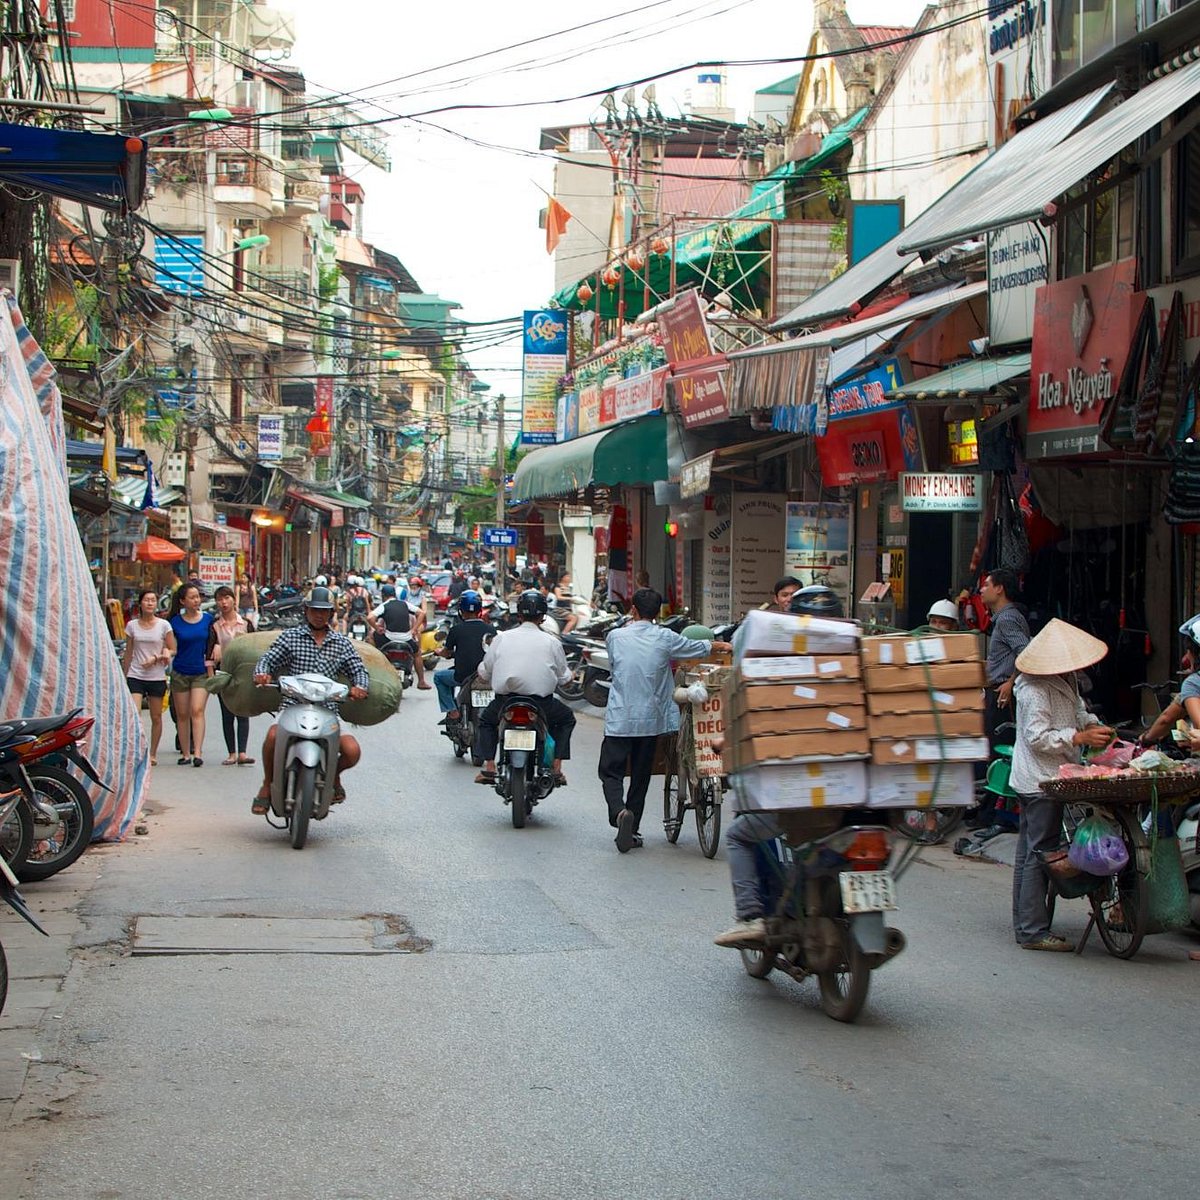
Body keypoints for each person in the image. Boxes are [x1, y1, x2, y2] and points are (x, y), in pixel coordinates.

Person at [715, 586, 847, 948]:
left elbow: (752, 719)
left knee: (739, 836)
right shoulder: (856, 660)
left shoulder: (777, 667)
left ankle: (750, 916)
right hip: (860, 800)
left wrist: (726, 744)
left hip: (799, 796)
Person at [1010, 619, 1114, 952]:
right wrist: (1078, 737)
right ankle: (1032, 931)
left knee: (1030, 851)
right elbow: (1037, 737)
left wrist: (1094, 727)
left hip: (1050, 776)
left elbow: (1078, 711)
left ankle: (1026, 923)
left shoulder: (1064, 679)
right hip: (1039, 780)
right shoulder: (1033, 689)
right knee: (1040, 853)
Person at [599, 590, 731, 853]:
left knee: (610, 772)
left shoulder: (615, 636)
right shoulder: (665, 637)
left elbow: (617, 668)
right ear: (658, 612)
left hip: (620, 718)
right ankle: (632, 827)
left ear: (633, 610)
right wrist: (721, 645)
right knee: (640, 775)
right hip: (649, 721)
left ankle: (618, 813)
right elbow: (698, 647)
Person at [250, 586, 369, 815]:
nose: (319, 615)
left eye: (324, 611)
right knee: (273, 737)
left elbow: (359, 670)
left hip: (328, 710)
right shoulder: (291, 637)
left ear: (331, 613)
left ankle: (333, 776)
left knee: (352, 750)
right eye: (315, 610)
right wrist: (262, 673)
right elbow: (268, 659)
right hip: (293, 706)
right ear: (306, 610)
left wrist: (360, 687)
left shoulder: (341, 643)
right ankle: (267, 785)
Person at [473, 590, 576, 786]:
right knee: (566, 719)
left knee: (486, 721)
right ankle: (556, 767)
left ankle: (489, 766)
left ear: (519, 614)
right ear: (543, 616)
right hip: (541, 706)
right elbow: (564, 678)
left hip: (506, 702)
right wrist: (570, 677)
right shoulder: (552, 642)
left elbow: (485, 672)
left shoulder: (502, 638)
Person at [122, 589, 176, 766]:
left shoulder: (163, 625)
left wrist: (158, 657)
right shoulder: (132, 625)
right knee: (135, 714)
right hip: (135, 674)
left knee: (156, 717)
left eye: (153, 600)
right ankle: (137, 749)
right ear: (141, 604)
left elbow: (172, 649)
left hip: (156, 675)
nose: (150, 603)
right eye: (147, 600)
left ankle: (152, 753)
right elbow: (128, 652)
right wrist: (123, 674)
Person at [168, 583, 215, 767]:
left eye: (198, 597)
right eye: (192, 597)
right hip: (180, 671)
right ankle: (186, 753)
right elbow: (170, 647)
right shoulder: (174, 623)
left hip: (200, 673)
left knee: (197, 710)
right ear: (182, 601)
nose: (197, 601)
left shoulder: (208, 619)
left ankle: (198, 753)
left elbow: (213, 642)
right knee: (182, 714)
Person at [208, 585, 255, 766]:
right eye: (220, 599)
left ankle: (243, 752)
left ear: (233, 600)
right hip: (223, 673)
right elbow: (208, 654)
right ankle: (231, 753)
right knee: (227, 713)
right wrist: (211, 678)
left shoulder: (246, 624)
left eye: (226, 598)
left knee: (243, 712)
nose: (224, 602)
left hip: (243, 674)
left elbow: (254, 648)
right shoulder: (215, 626)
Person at [435, 590, 494, 721]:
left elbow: (446, 652)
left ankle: (452, 711)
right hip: (486, 677)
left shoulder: (456, 630)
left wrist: (440, 652)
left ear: (461, 610)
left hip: (462, 676)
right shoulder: (490, 629)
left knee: (439, 677)